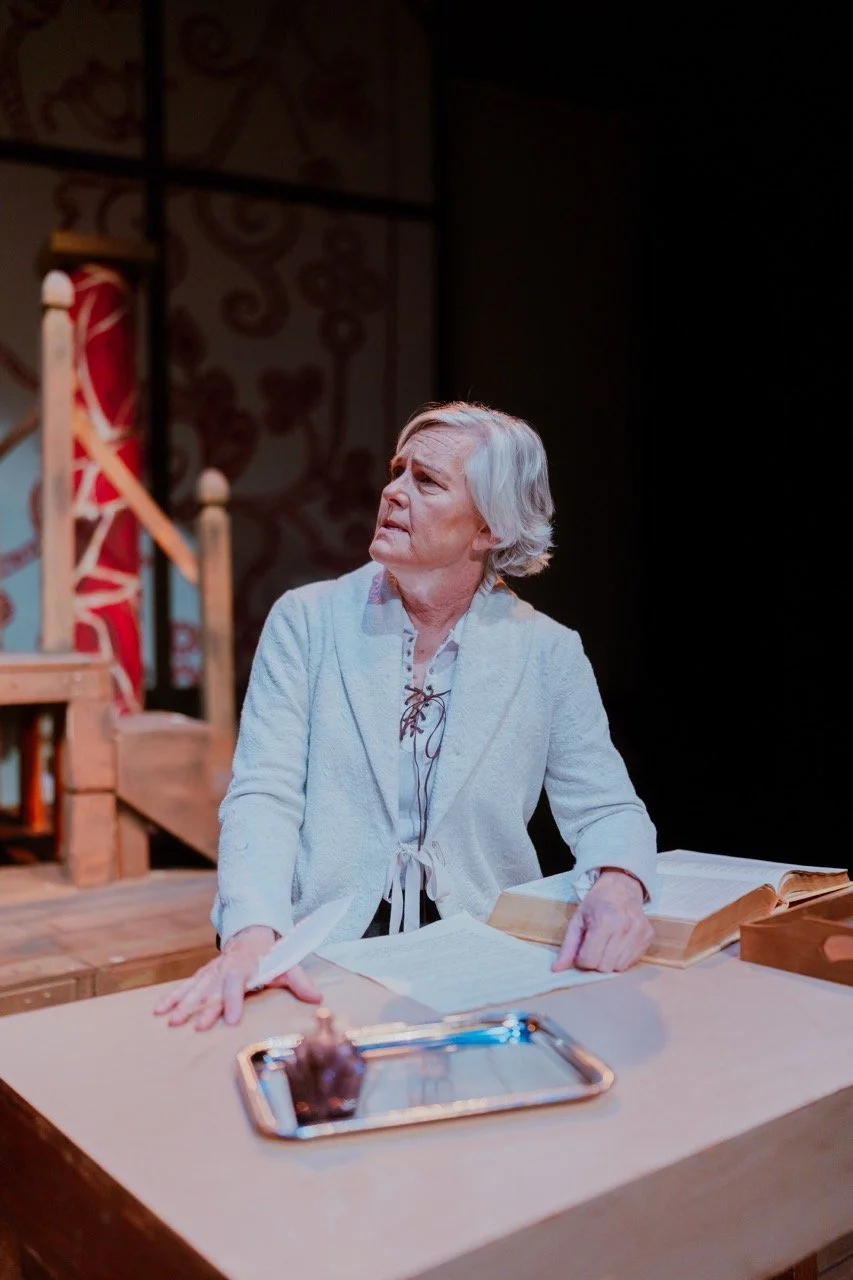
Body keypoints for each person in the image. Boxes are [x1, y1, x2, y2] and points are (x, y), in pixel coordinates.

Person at [155, 401, 656, 1031]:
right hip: (329, 949)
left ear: (488, 530)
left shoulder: (547, 652)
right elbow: (264, 793)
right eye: (398, 471)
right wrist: (253, 934)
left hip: (483, 952)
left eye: (427, 482)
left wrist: (617, 888)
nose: (393, 492)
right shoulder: (306, 622)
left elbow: (607, 807)